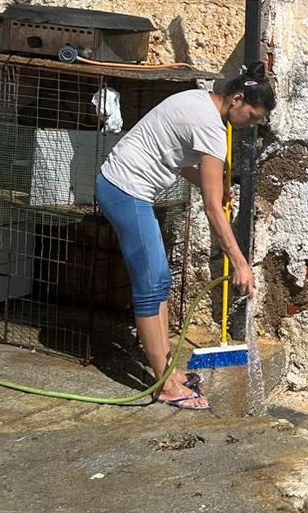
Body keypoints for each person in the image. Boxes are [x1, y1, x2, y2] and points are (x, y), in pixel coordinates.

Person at [95, 63, 275, 410]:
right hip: (125, 190)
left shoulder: (198, 100)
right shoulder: (211, 129)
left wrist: (213, 186)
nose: (250, 125)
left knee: (158, 280)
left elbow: (172, 157)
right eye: (251, 116)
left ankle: (169, 372)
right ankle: (164, 386)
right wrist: (240, 263)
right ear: (237, 99)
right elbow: (211, 210)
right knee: (151, 283)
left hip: (122, 186)